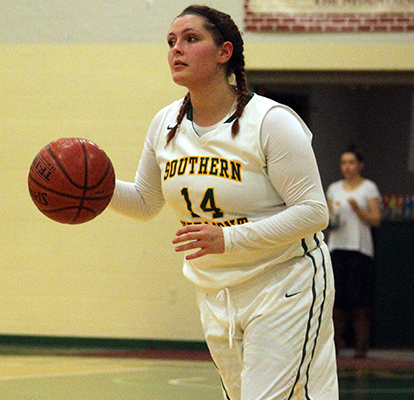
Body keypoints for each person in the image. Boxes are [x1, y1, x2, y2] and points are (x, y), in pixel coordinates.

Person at [109, 5, 338, 399]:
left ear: (224, 52)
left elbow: (314, 211)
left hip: (285, 280)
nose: (176, 49)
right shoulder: (165, 124)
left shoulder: (270, 121)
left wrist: (228, 239)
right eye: (170, 42)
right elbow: (146, 203)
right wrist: (95, 187)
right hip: (216, 289)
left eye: (190, 39)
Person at [326, 145, 381, 359]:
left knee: (360, 300)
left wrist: (358, 210)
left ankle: (361, 349)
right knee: (336, 300)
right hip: (337, 247)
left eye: (351, 162)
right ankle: (335, 348)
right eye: (343, 162)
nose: (347, 167)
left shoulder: (369, 188)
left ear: (360, 165)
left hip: (360, 250)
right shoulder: (334, 188)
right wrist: (331, 222)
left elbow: (376, 219)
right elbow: (328, 218)